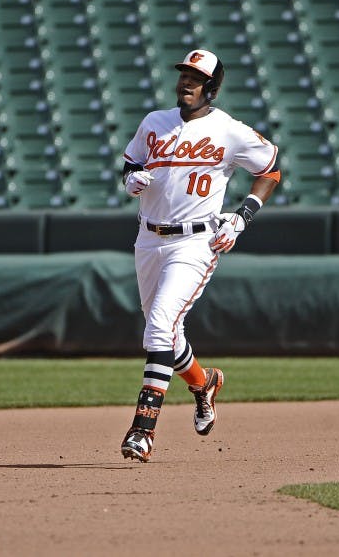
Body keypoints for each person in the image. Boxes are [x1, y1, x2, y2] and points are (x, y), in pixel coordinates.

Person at [119, 49, 282, 462]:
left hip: (196, 242)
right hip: (148, 238)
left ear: (212, 87)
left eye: (196, 78)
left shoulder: (228, 130)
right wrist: (131, 178)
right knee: (167, 335)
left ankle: (143, 430)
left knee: (157, 327)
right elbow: (131, 160)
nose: (186, 83)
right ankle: (203, 383)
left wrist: (242, 217)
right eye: (184, 76)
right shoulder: (154, 122)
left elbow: (271, 170)